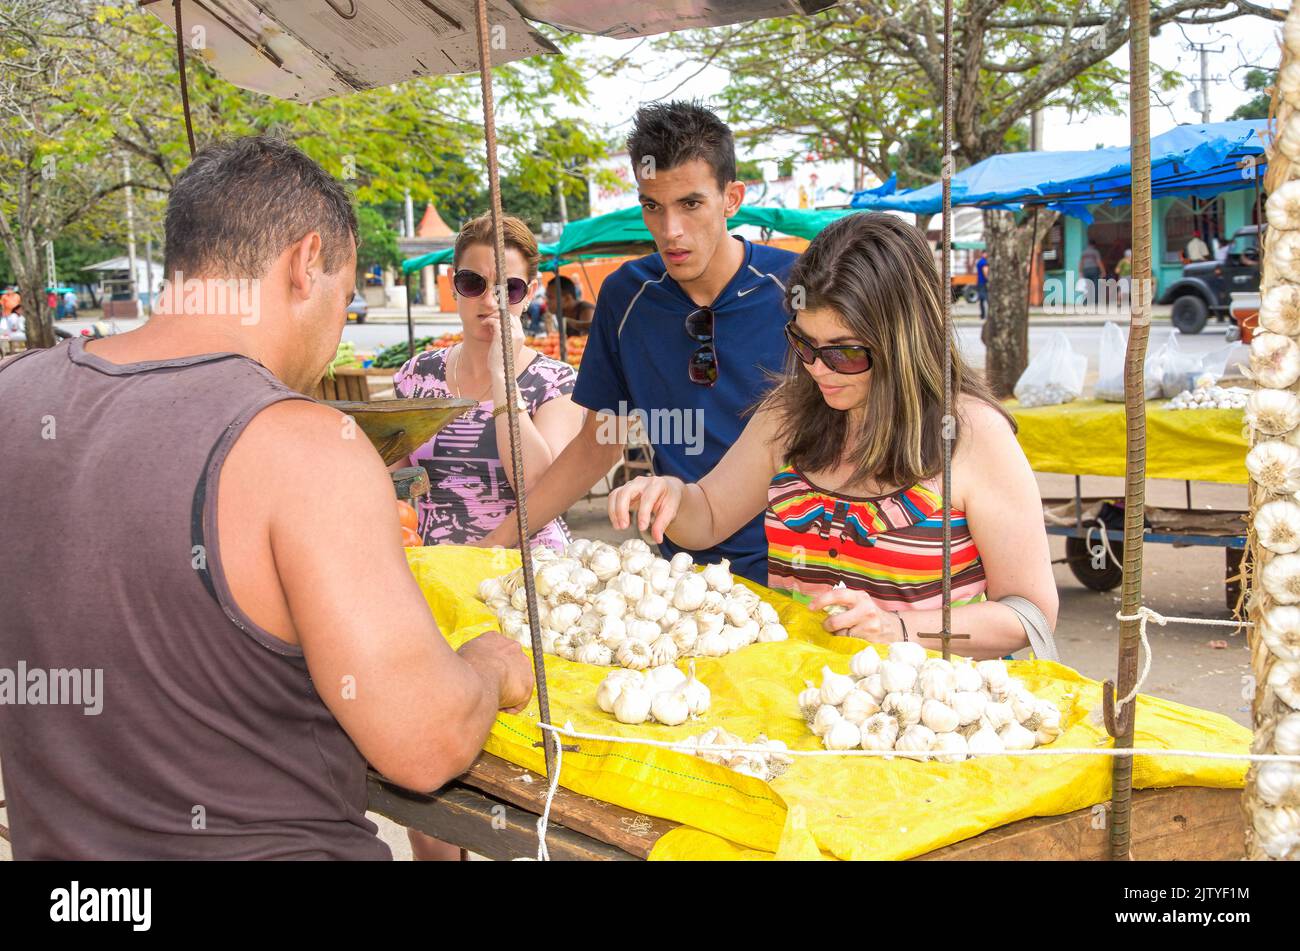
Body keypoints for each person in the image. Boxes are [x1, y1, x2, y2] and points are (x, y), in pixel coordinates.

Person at [0, 136, 534, 859]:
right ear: (305, 261)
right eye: (345, 300)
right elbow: (425, 739)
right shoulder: (304, 445)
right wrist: (492, 667)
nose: (338, 328)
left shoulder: (15, 396)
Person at [606, 213, 1057, 660]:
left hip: (932, 708)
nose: (817, 369)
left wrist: (902, 629)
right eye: (804, 344)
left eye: (844, 352)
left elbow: (1030, 613)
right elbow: (706, 516)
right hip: (803, 700)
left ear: (905, 340)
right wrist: (670, 496)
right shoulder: (788, 413)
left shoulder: (974, 435)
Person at [481, 101, 797, 585]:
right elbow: (600, 442)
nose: (670, 231)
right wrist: (496, 542)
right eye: (653, 205)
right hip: (685, 575)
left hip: (804, 568)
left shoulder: (798, 289)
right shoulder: (627, 296)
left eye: (691, 204)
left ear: (732, 198)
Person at [393, 213, 584, 552]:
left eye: (508, 288)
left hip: (528, 570)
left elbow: (537, 486)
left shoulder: (557, 383)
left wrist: (503, 377)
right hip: (438, 569)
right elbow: (394, 483)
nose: (489, 301)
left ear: (529, 294)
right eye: (472, 283)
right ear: (454, 284)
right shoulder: (415, 376)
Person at [1077, 239, 1104, 308]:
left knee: (1087, 286)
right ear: (1094, 245)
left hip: (1086, 270)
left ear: (1088, 244)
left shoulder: (1084, 252)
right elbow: (1098, 262)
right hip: (1094, 270)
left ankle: (1086, 301)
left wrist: (1080, 272)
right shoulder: (1095, 252)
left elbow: (1081, 263)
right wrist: (1103, 271)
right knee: (1095, 286)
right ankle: (1095, 302)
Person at [975, 253, 989, 321]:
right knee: (986, 299)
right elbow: (985, 271)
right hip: (983, 282)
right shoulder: (984, 262)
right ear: (984, 254)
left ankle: (982, 315)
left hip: (979, 282)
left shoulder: (979, 261)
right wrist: (988, 280)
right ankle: (987, 315)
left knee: (981, 299)